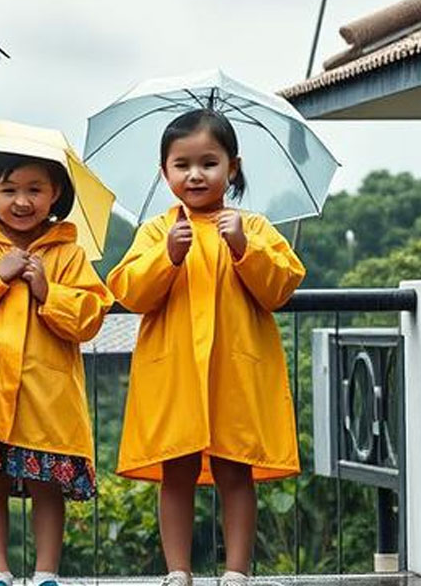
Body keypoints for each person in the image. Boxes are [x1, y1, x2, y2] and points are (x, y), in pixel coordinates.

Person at [108, 109, 305, 586]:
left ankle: (236, 570)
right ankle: (179, 570)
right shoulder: (157, 232)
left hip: (234, 375)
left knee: (234, 469)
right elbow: (129, 292)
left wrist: (244, 249)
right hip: (173, 375)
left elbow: (280, 288)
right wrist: (166, 257)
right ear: (165, 172)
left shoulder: (253, 227)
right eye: (182, 164)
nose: (195, 174)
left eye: (209, 162)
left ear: (232, 168)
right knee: (175, 470)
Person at [0, 150, 113, 586]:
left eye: (35, 189)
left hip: (46, 394)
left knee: (47, 485)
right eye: (9, 189)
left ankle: (46, 573)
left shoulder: (69, 254)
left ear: (55, 195)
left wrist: (47, 291)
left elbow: (90, 317)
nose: (21, 201)